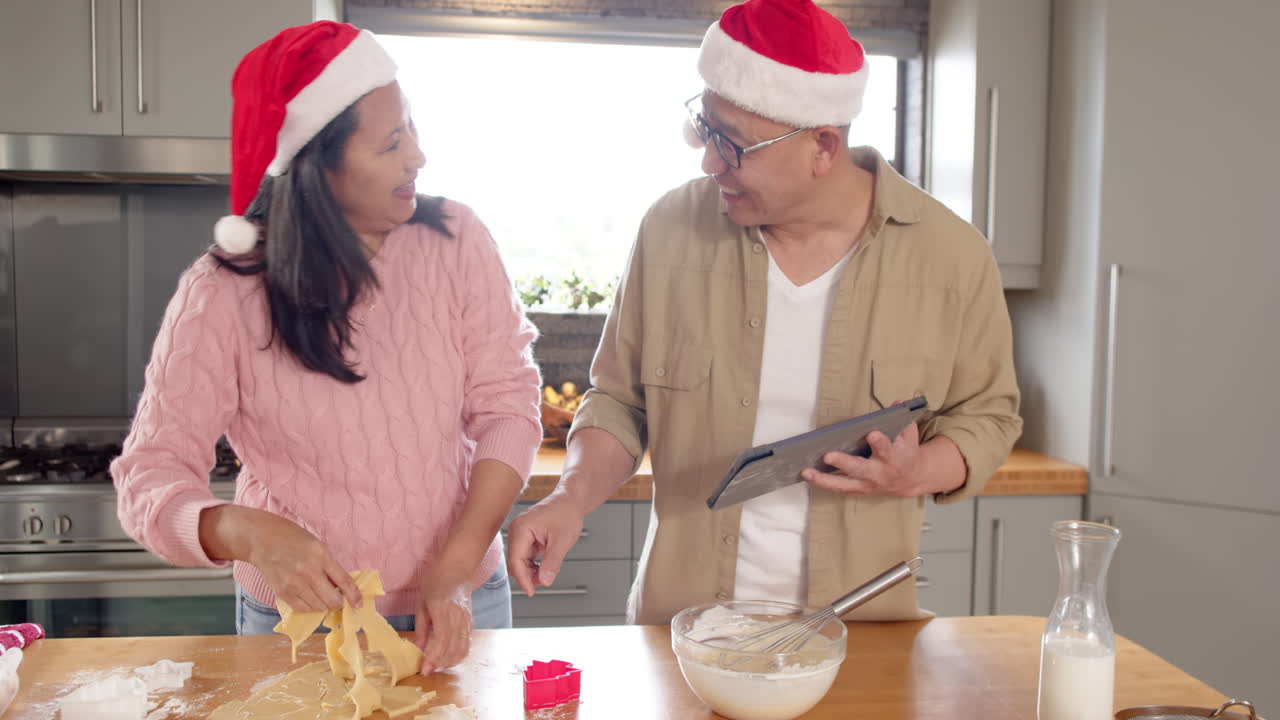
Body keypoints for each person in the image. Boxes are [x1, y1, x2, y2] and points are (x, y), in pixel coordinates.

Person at [506, 0, 1022, 625]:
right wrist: (570, 498)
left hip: (859, 627)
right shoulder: (670, 230)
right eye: (705, 128)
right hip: (685, 624)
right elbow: (618, 401)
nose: (709, 160)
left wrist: (917, 471)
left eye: (733, 144)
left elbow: (989, 415)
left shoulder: (951, 256)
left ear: (823, 146)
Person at [111, 21, 542, 673]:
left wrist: (455, 569)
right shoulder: (223, 293)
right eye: (391, 144)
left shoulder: (457, 240)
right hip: (300, 623)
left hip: (458, 604)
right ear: (319, 169)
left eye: (412, 128)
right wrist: (248, 533)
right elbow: (150, 474)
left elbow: (508, 410)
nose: (418, 157)